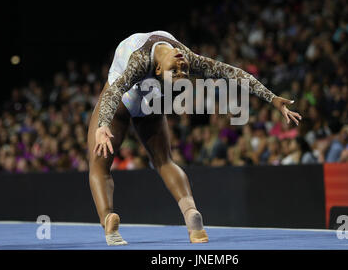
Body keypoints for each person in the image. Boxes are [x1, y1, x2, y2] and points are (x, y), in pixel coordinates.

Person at [88, 30, 302, 245]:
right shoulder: (184, 57)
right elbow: (231, 72)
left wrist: (103, 124)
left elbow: (114, 91)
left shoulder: (142, 60)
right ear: (159, 69)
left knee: (99, 165)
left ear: (159, 69)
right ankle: (190, 213)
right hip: (144, 102)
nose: (182, 63)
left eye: (179, 69)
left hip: (123, 103)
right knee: (164, 161)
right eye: (180, 69)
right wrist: (272, 97)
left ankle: (108, 220)